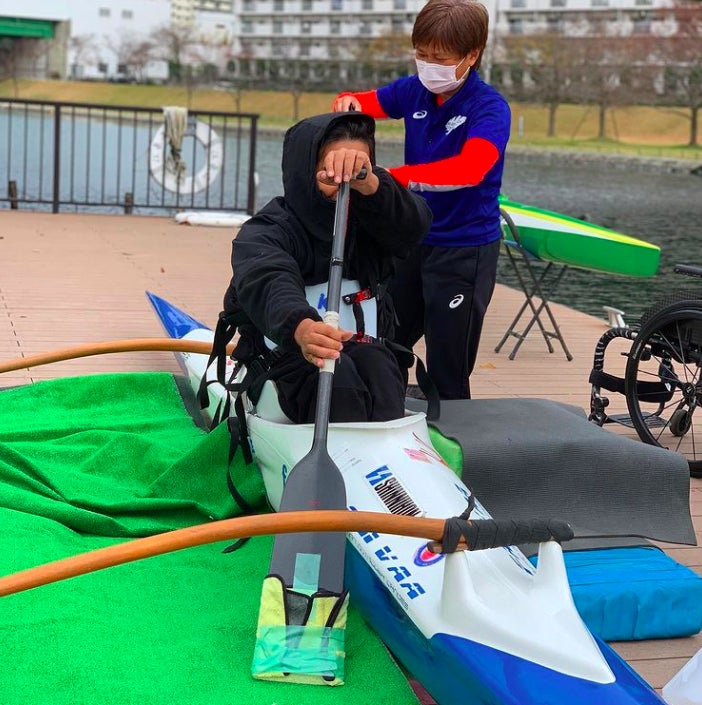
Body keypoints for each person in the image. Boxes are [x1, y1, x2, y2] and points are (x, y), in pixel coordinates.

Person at [332, 0, 511, 399]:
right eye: (421, 54)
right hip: (413, 239)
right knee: (387, 342)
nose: (428, 65)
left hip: (464, 250)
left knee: (448, 365)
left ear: (471, 55)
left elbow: (470, 170)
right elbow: (358, 101)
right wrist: (346, 103)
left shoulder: (490, 108)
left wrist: (389, 178)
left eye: (440, 58)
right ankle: (384, 411)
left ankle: (454, 429)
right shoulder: (413, 90)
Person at [222, 112, 433, 424]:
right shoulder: (268, 230)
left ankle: (382, 439)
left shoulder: (375, 222)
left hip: (366, 358)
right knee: (336, 372)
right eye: (331, 174)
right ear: (305, 173)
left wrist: (373, 185)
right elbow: (267, 279)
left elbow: (416, 224)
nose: (344, 185)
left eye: (356, 171)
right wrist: (302, 328)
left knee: (379, 363)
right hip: (289, 364)